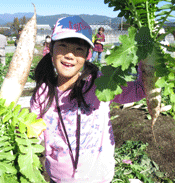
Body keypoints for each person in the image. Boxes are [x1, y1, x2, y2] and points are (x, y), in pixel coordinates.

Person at [30, 16, 146, 183]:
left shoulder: (99, 84)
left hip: (99, 178)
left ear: (88, 55)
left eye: (78, 49)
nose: (70, 55)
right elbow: (34, 131)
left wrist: (147, 57)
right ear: (50, 49)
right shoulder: (43, 93)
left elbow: (139, 89)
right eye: (62, 46)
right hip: (59, 179)